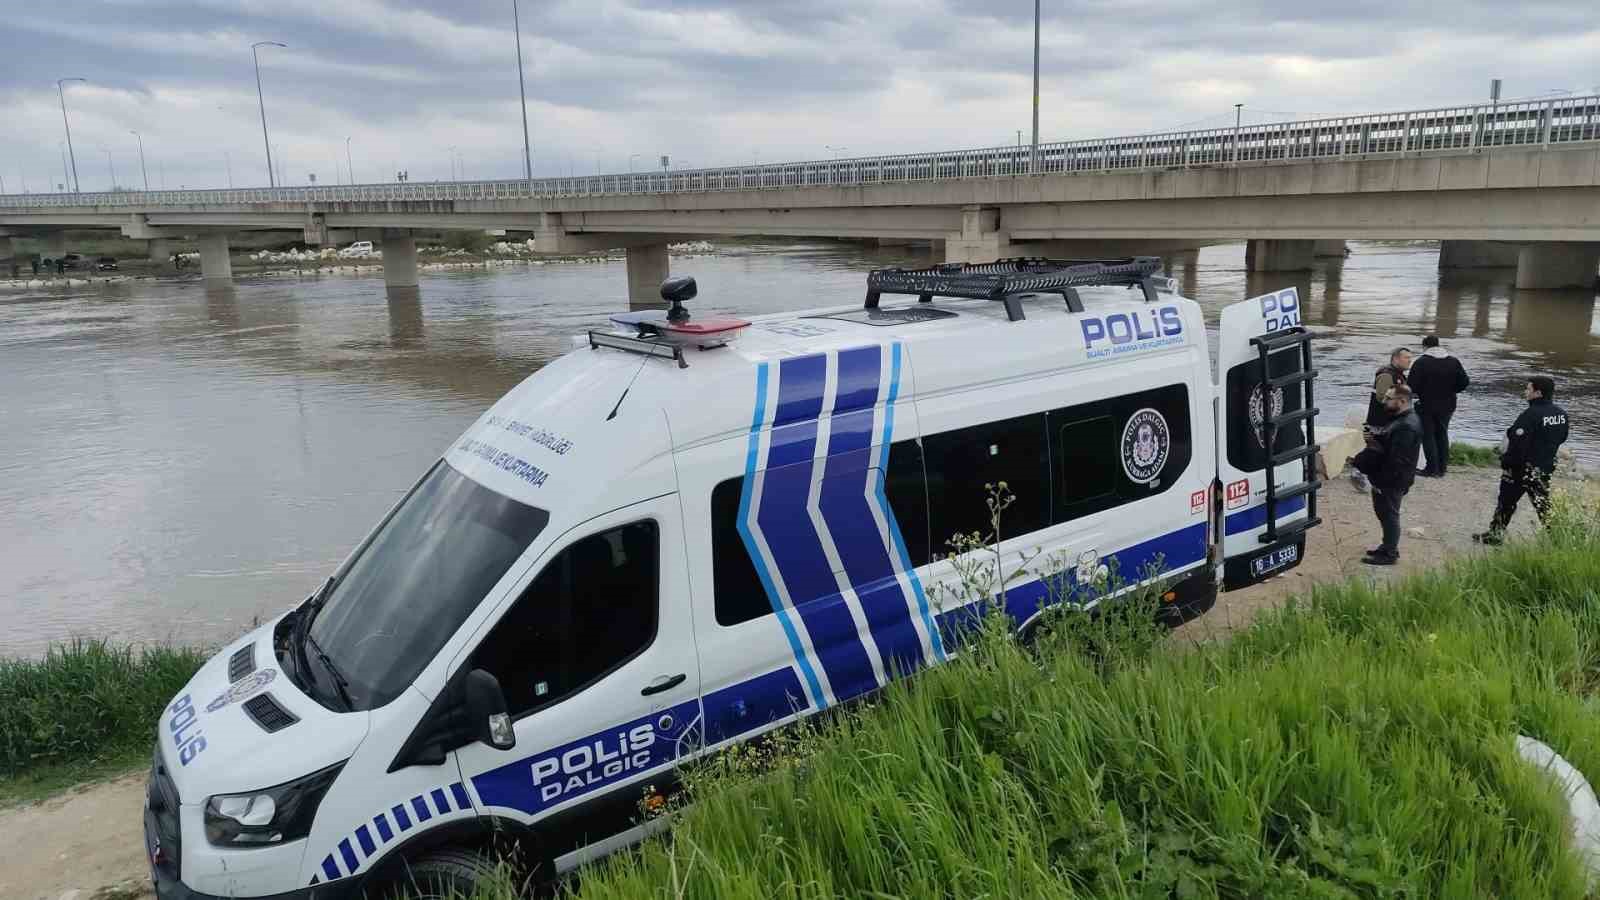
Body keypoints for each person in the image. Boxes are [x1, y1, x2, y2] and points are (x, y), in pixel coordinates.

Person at [1473, 376, 1569, 545]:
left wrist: (1507, 462)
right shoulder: (1561, 414)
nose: (1525, 392)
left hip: (1521, 468)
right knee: (1542, 503)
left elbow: (1517, 442)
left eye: (1528, 389)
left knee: (1506, 502)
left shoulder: (1530, 414)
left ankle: (1495, 534)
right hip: (1545, 466)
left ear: (1538, 393)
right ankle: (1560, 538)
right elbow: (1562, 438)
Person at [1351, 384, 1422, 565]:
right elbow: (1388, 445)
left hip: (1392, 480)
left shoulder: (1407, 426)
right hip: (1389, 477)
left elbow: (1398, 459)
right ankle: (1387, 546)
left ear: (1402, 401)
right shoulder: (1400, 419)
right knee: (1384, 514)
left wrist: (1381, 479)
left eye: (1389, 398)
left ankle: (1390, 553)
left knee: (1390, 515)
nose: (1385, 402)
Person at [1406, 335, 1470, 476]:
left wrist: (1420, 393)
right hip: (1448, 404)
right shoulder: (1453, 361)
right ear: (1438, 345)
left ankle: (1431, 468)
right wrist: (1452, 390)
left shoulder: (1421, 362)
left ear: (1425, 346)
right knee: (1442, 434)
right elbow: (1464, 382)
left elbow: (1411, 386)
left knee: (1428, 435)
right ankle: (1442, 468)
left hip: (1426, 405)